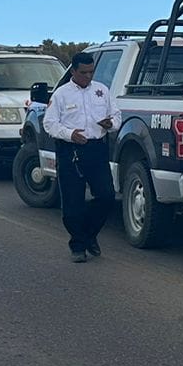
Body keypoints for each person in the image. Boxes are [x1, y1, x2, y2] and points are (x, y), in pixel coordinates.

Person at [42, 52, 121, 262]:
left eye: (91, 72)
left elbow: (116, 115)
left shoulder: (101, 91)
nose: (88, 76)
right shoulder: (61, 94)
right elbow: (49, 123)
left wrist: (111, 124)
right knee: (72, 203)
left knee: (106, 196)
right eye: (83, 72)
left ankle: (89, 234)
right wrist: (70, 134)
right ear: (74, 71)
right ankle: (78, 246)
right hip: (71, 151)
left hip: (97, 149)